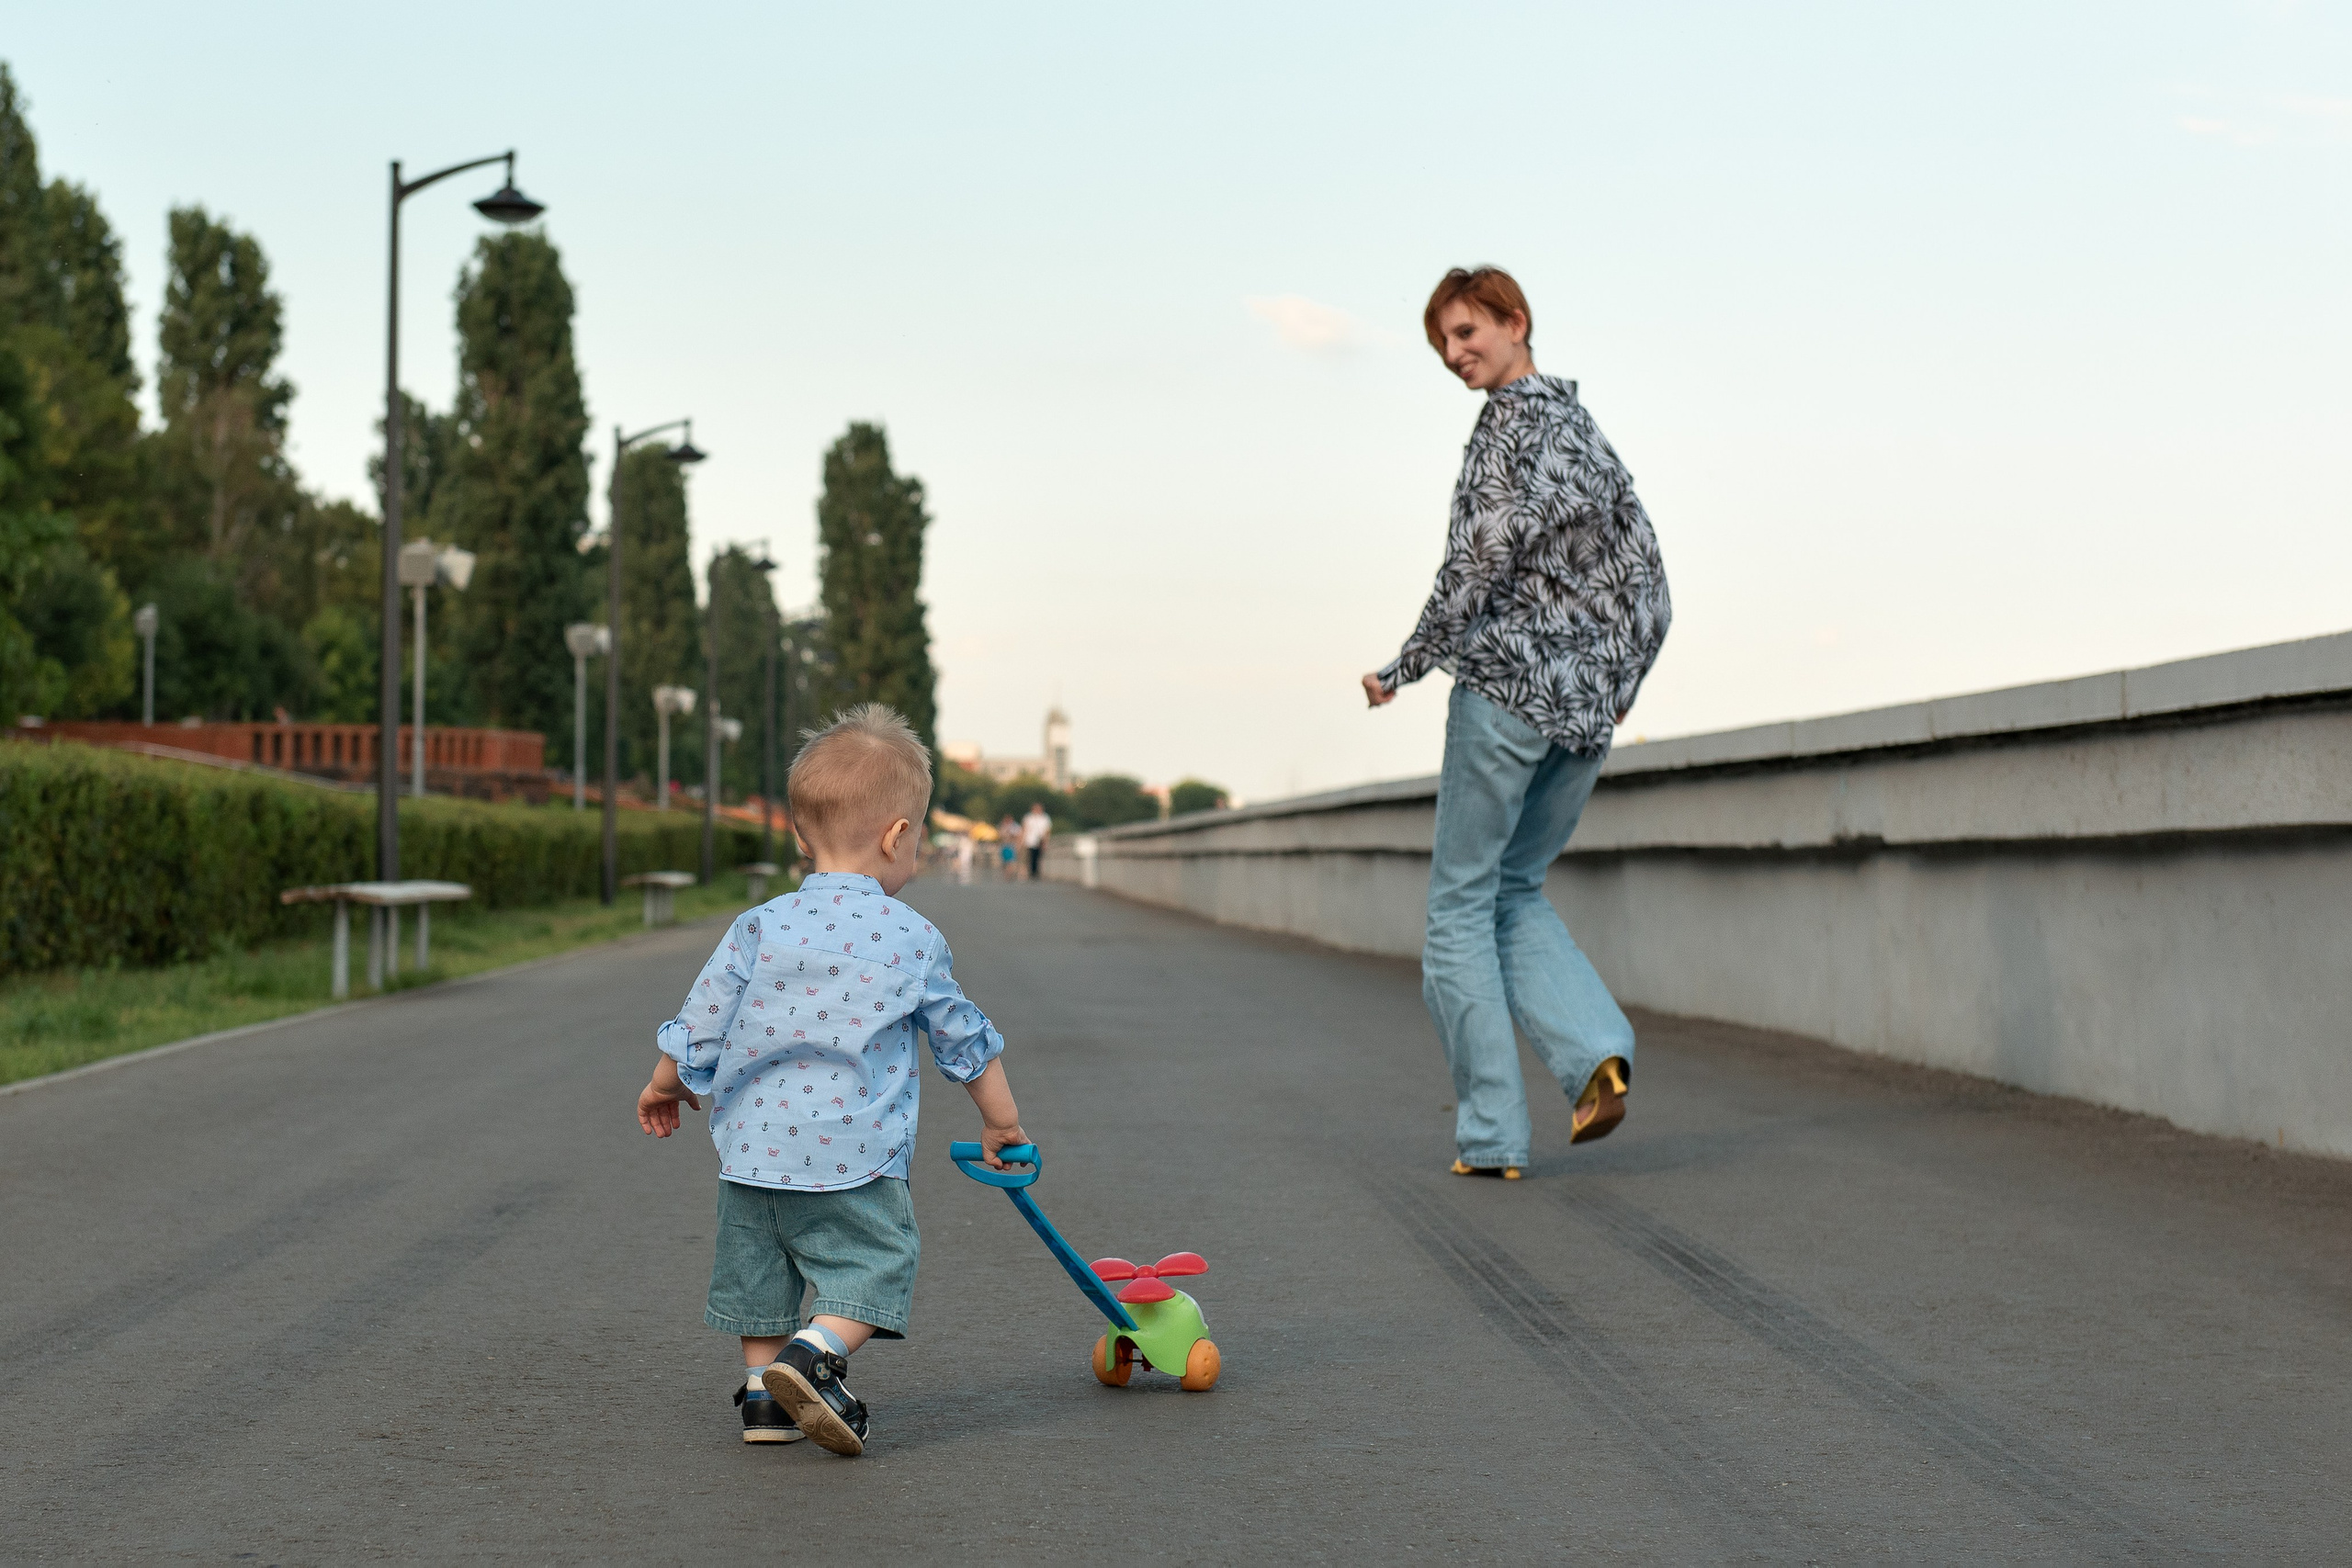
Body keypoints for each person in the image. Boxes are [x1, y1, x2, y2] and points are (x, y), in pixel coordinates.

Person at [636, 703, 1031, 1456]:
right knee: (878, 1260)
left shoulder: (759, 923)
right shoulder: (912, 935)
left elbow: (703, 1017)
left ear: (798, 833)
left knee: (761, 1276)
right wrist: (1002, 1122)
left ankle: (764, 1402)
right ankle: (812, 1355)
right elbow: (963, 1041)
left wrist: (665, 1082)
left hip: (751, 1150)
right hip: (853, 1149)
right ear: (897, 836)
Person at [1362, 265, 1671, 1180]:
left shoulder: (1504, 426)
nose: (1456, 358)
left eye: (1467, 335)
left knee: (1459, 906)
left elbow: (1475, 563)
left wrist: (1404, 665)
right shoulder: (1584, 431)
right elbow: (1650, 582)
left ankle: (1492, 1136)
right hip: (1582, 716)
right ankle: (1593, 1054)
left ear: (1513, 322)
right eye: (1444, 346)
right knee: (1516, 889)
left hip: (1503, 696)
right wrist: (1620, 685)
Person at [1021, 801, 1051, 881]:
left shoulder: (1045, 818)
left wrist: (1046, 841)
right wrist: (1022, 841)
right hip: (1029, 841)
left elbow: (1047, 831)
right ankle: (1030, 873)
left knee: (1038, 857)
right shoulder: (1028, 817)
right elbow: (1024, 829)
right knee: (1029, 857)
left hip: (1040, 841)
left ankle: (1035, 873)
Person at [997, 814, 1022, 880]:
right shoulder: (1002, 826)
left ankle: (1009, 874)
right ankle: (1007, 873)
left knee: (1010, 861)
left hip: (1011, 846)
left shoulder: (1015, 826)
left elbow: (1018, 836)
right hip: (1004, 846)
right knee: (1005, 861)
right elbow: (1000, 835)